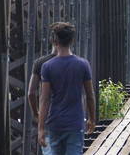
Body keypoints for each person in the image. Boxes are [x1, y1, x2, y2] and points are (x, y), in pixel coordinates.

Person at [38, 22, 96, 155]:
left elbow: (44, 99)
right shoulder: (83, 64)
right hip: (74, 123)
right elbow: (90, 95)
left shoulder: (47, 66)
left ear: (55, 41)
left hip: (55, 123)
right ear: (72, 40)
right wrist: (92, 118)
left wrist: (41, 128)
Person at [28, 48, 56, 155]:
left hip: (48, 117)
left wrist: (36, 114)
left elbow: (31, 93)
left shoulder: (41, 63)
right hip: (70, 119)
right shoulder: (76, 63)